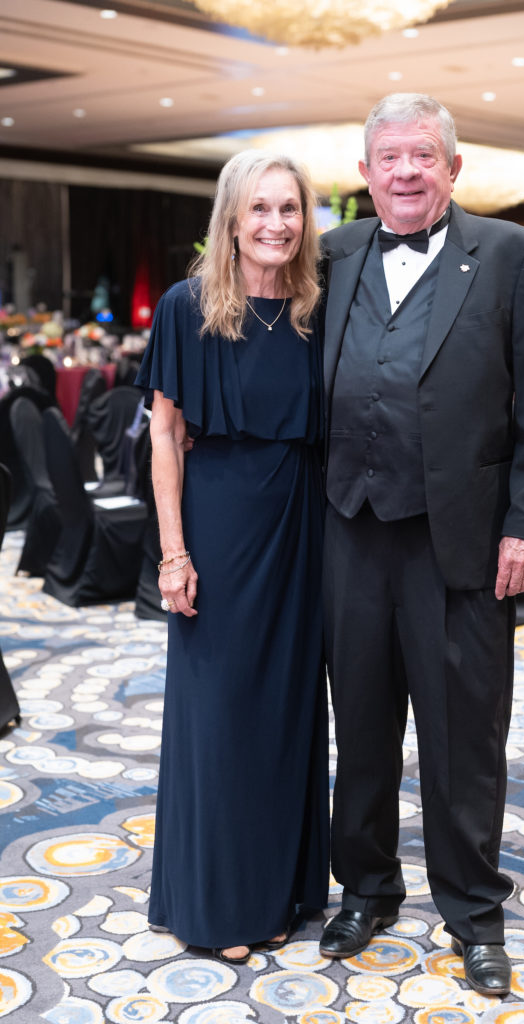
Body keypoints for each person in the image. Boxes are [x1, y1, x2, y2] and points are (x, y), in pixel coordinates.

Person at [318, 94, 524, 997]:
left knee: (464, 737)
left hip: (462, 540)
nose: (405, 172)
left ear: (452, 168)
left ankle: (473, 912)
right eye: (388, 157)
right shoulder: (333, 252)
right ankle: (366, 889)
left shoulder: (510, 254)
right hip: (349, 530)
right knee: (361, 726)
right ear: (365, 173)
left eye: (422, 155)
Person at [135, 150, 329, 964]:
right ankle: (213, 903)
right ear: (231, 218)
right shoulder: (187, 307)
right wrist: (173, 554)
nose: (275, 224)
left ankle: (275, 893)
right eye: (259, 208)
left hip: (303, 526)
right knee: (219, 716)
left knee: (285, 712)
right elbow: (165, 437)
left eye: (289, 208)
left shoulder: (320, 307)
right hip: (218, 525)